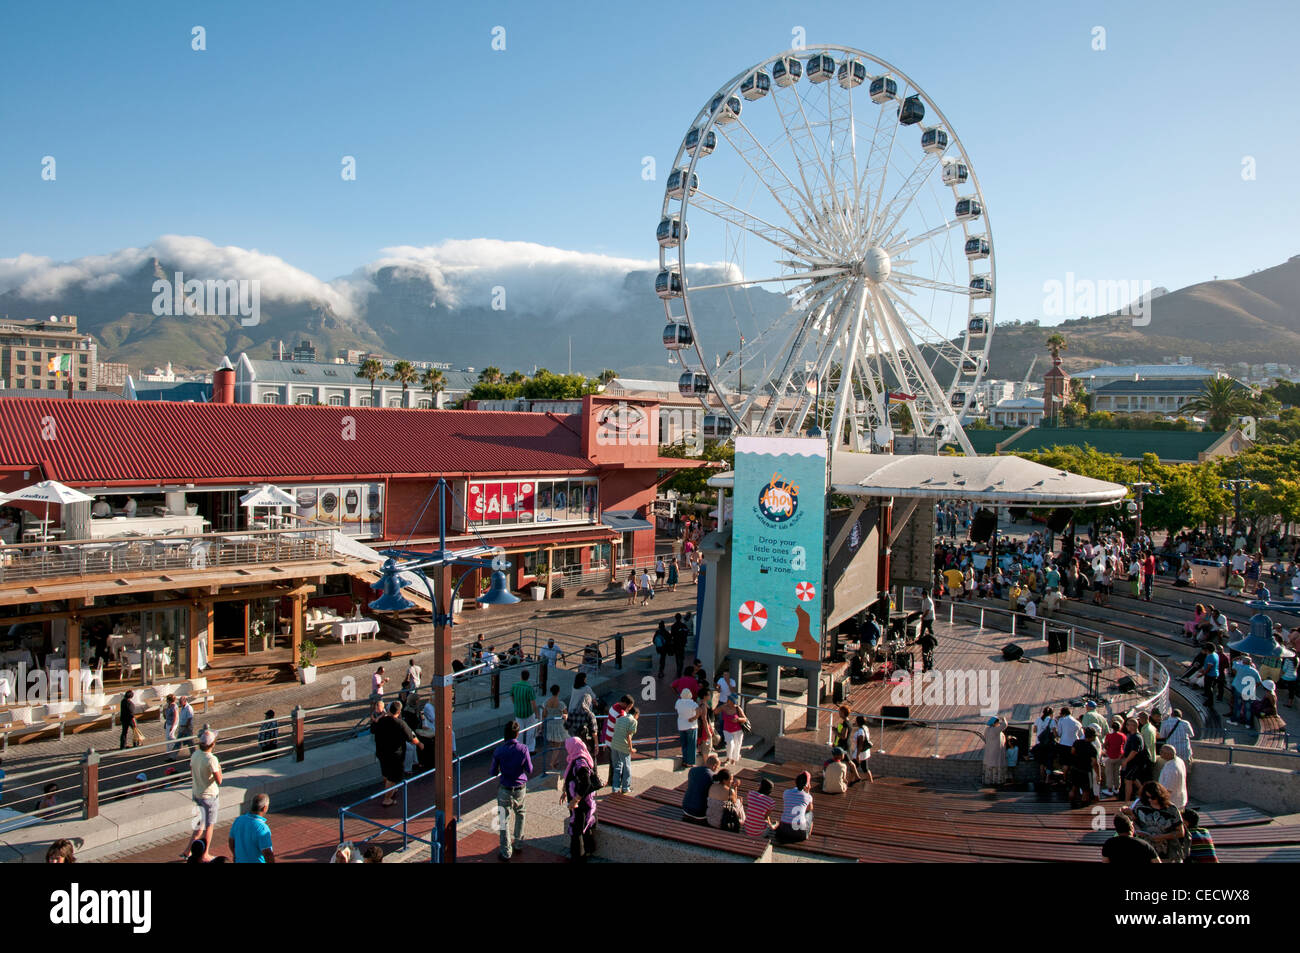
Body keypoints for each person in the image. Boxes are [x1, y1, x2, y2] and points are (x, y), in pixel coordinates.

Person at [490, 720, 533, 862]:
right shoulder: (523, 749)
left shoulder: (499, 751)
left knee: (504, 819)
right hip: (520, 787)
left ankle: (505, 851)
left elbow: (492, 772)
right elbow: (530, 769)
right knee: (521, 813)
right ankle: (519, 843)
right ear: (517, 733)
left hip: (505, 788)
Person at [372, 702, 423, 807]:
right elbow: (412, 738)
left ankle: (392, 789)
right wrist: (420, 744)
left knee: (386, 774)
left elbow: (373, 729)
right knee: (393, 777)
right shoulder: (400, 724)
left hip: (382, 753)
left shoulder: (382, 721)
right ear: (399, 712)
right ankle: (387, 799)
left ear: (389, 710)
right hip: (395, 756)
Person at [1126, 781, 1187, 862]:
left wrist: (1162, 837)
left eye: (1153, 797)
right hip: (1144, 849)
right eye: (1147, 797)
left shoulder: (1171, 809)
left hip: (1166, 851)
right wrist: (1138, 830)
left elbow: (1180, 832)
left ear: (1160, 796)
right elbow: (1133, 821)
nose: (1150, 800)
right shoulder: (1140, 805)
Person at [561, 735, 599, 862]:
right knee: (586, 826)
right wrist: (565, 792)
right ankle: (589, 849)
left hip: (581, 803)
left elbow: (586, 783)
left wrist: (575, 799)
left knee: (577, 829)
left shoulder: (579, 763)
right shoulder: (580, 757)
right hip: (586, 802)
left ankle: (579, 856)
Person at [187, 729, 222, 859]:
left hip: (196, 793)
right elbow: (219, 780)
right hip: (209, 796)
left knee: (198, 824)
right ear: (213, 744)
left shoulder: (195, 754)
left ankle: (188, 850)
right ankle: (205, 854)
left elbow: (192, 772)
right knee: (209, 826)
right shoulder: (212, 759)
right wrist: (219, 768)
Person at [228, 793, 276, 863]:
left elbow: (231, 841)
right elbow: (268, 854)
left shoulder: (238, 820)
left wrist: (236, 856)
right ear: (265, 808)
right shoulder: (262, 828)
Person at [774, 771, 814, 844]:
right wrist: (808, 792)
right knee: (810, 814)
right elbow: (809, 809)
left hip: (783, 831)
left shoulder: (786, 792)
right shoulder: (808, 796)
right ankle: (807, 834)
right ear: (807, 784)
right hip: (799, 834)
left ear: (795, 781)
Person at [608, 703, 638, 794]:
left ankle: (615, 788)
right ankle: (626, 787)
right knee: (627, 767)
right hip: (623, 746)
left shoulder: (620, 718)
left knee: (617, 766)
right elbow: (629, 736)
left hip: (614, 745)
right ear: (636, 715)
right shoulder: (633, 721)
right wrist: (631, 748)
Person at [510, 669, 540, 754]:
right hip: (528, 713)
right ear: (528, 677)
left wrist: (515, 704)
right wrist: (537, 714)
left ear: (521, 676)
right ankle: (530, 749)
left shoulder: (514, 686)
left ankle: (518, 749)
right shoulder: (529, 688)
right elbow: (533, 703)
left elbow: (511, 695)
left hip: (518, 712)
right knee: (531, 732)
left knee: (519, 732)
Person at [1119, 717, 1149, 801]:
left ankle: (1127, 801)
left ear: (1133, 726)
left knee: (1128, 780)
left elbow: (1134, 751)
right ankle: (1144, 793)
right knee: (1133, 779)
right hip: (1133, 762)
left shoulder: (1136, 737)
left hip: (1134, 762)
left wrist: (1126, 761)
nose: (1127, 727)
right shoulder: (1134, 736)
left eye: (1128, 725)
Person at [542, 684, 568, 771]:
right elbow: (565, 713)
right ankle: (552, 762)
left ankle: (555, 760)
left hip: (549, 724)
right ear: (558, 692)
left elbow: (544, 714)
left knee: (553, 745)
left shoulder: (547, 702)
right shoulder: (560, 704)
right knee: (558, 745)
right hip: (558, 725)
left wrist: (543, 723)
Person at [1156, 744, 1188, 811]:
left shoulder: (1172, 769)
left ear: (1168, 754)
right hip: (1179, 800)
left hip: (1173, 803)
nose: (1160, 753)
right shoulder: (1179, 761)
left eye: (1162, 752)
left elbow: (1168, 789)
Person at [1102, 720, 1127, 795]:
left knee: (1109, 773)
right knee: (1117, 773)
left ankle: (1110, 789)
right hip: (1119, 756)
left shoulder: (1109, 736)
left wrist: (1107, 749)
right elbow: (1125, 745)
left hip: (1110, 756)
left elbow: (1105, 745)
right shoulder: (1123, 736)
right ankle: (1116, 788)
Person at [982, 716, 1008, 786]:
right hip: (996, 752)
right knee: (996, 765)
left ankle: (988, 780)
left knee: (989, 765)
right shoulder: (995, 730)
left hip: (989, 751)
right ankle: (996, 781)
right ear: (994, 723)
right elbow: (1005, 725)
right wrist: (1003, 718)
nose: (999, 723)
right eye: (997, 722)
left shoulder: (987, 730)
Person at [850, 716, 874, 782]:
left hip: (860, 752)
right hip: (865, 752)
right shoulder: (865, 728)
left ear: (858, 722)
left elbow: (860, 743)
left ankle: (850, 781)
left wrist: (857, 755)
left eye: (856, 721)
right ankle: (870, 781)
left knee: (853, 766)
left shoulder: (860, 732)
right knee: (864, 768)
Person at [669, 612, 690, 678]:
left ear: (675, 618)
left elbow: (671, 635)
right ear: (680, 618)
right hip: (682, 643)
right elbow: (687, 632)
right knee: (681, 656)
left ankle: (678, 668)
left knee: (677, 657)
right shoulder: (683, 625)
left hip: (676, 644)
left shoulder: (673, 626)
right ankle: (680, 669)